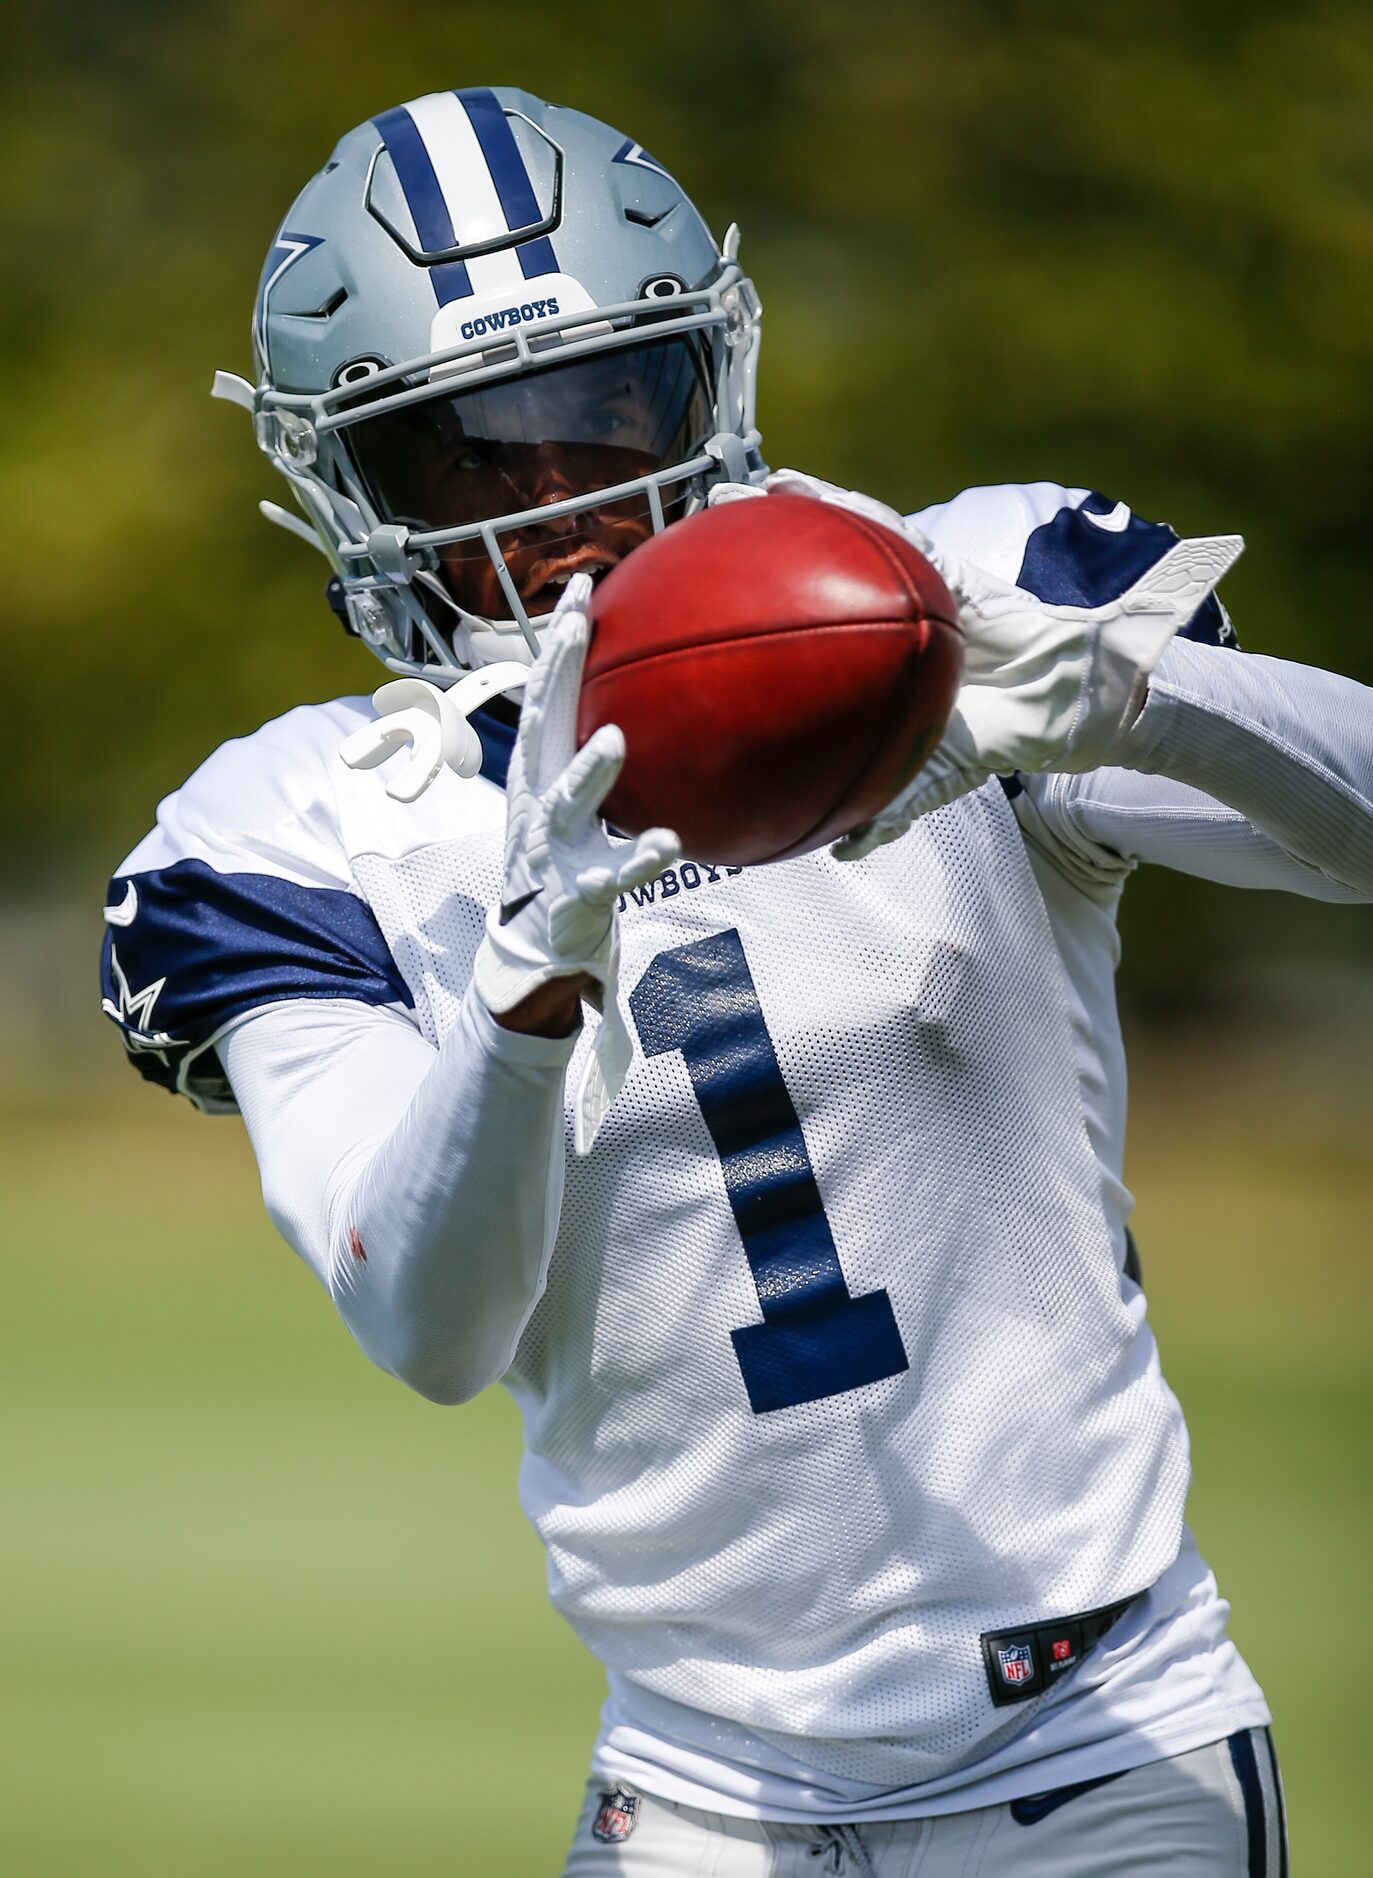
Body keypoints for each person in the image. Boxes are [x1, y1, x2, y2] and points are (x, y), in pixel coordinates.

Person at [100, 87, 1371, 1874]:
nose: (565, 510)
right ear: (348, 484)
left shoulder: (957, 605)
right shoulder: (299, 829)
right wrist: (528, 979)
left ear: (705, 385)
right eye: (465, 456)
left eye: (604, 414)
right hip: (700, 1792)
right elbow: (430, 1327)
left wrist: (1136, 695)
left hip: (1097, 1748)